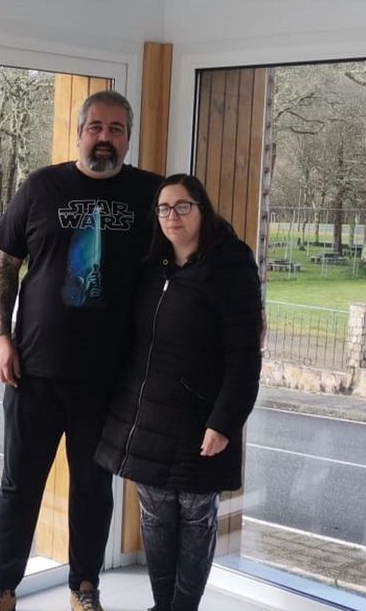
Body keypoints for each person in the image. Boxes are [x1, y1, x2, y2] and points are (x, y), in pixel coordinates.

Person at [0, 90, 162, 611]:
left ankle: (85, 588)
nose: (106, 137)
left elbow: (181, 261)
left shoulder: (150, 194)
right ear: (79, 131)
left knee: (92, 490)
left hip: (109, 379)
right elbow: (3, 266)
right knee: (20, 486)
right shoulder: (41, 186)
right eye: (97, 127)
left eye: (117, 128)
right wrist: (0, 336)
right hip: (33, 371)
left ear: (128, 136)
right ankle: (1, 588)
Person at [94, 173, 264, 611]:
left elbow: (245, 356)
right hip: (147, 419)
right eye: (164, 209)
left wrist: (224, 423)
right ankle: (161, 605)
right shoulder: (152, 266)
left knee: (194, 518)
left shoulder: (231, 266)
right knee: (155, 515)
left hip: (200, 424)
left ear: (202, 210)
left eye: (183, 206)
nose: (173, 216)